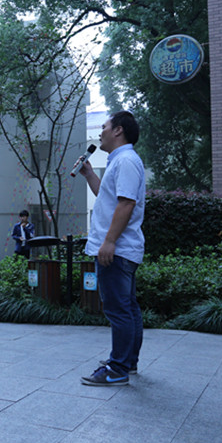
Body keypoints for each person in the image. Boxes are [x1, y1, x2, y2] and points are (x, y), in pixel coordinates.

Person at [79, 111, 146, 387]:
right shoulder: (120, 160)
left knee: (119, 309)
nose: (101, 132)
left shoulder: (126, 160)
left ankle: (117, 368)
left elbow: (127, 203)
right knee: (127, 307)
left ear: (118, 130)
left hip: (117, 249)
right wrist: (89, 175)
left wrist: (109, 241)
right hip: (121, 248)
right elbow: (108, 198)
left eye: (105, 126)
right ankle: (127, 361)